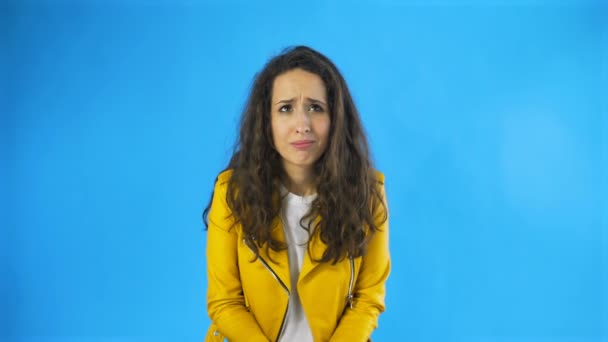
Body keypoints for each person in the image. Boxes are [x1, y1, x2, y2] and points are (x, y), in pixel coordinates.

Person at [202, 46, 390, 342]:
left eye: (315, 107)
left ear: (335, 118)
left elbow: (368, 299)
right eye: (286, 108)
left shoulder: (367, 194)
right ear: (267, 122)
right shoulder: (231, 193)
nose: (302, 125)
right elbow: (225, 303)